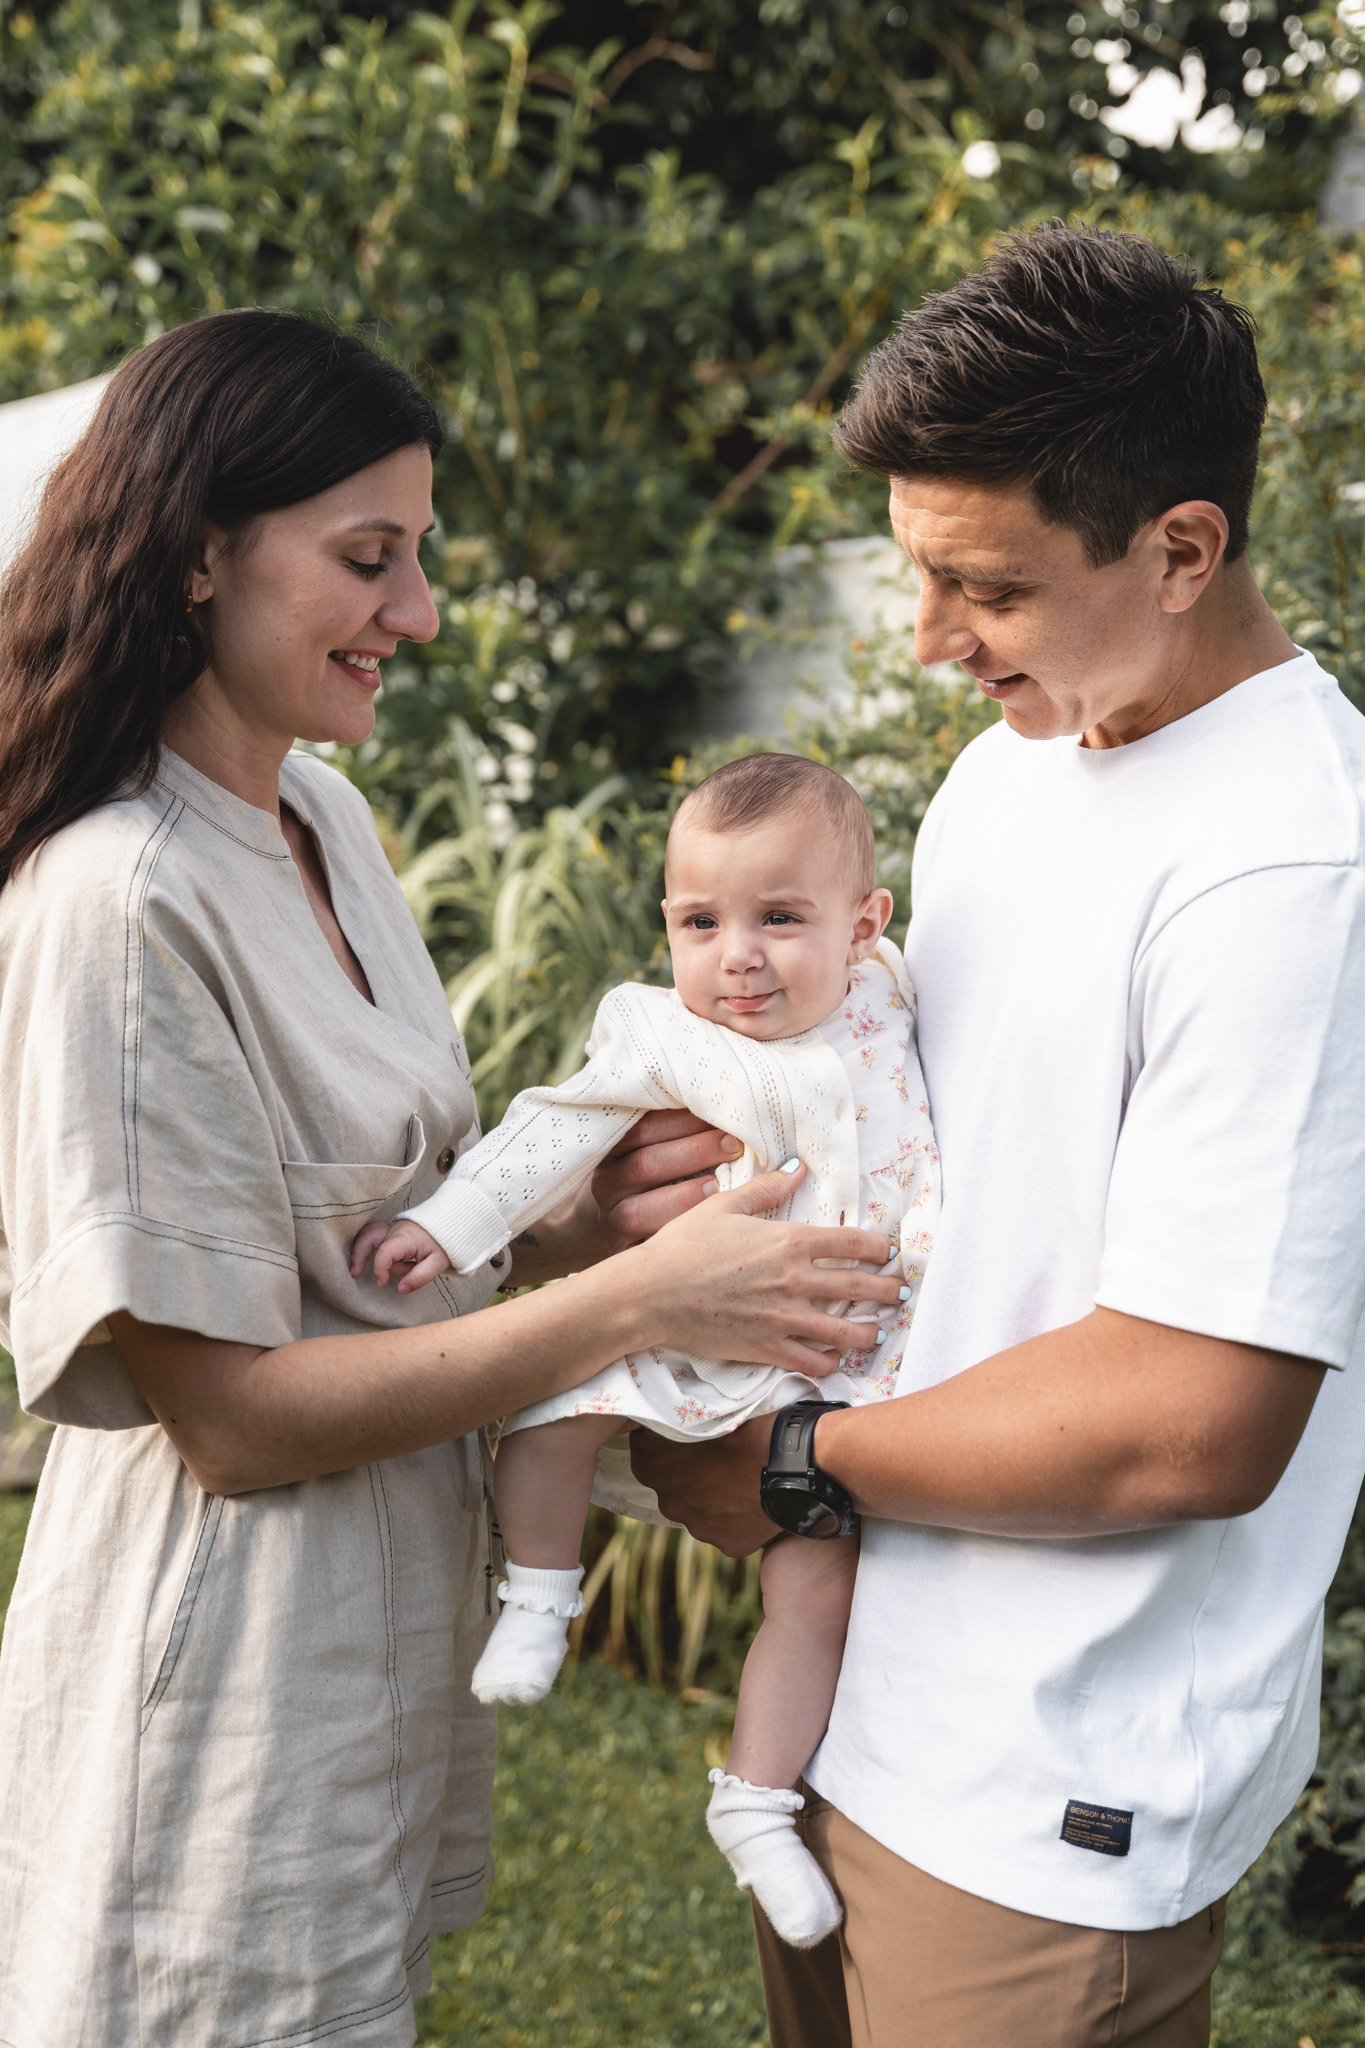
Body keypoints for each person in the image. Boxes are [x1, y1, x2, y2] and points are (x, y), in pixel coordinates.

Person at [0, 310, 901, 2048]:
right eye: (369, 557)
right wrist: (627, 1304)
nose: (417, 610)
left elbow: (392, 1241)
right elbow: (235, 1415)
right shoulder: (118, 900)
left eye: (419, 555)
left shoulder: (324, 822)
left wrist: (592, 1215)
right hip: (218, 1701)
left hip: (376, 1662)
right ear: (195, 551)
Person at [622, 223, 1365, 2046]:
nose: (937, 642)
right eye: (920, 578)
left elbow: (1196, 1414)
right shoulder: (1010, 762)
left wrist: (788, 1461)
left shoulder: (1295, 863)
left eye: (991, 590)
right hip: (856, 1697)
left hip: (1053, 1784)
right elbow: (943, 1146)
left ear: (1182, 545)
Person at [356, 752, 940, 1949]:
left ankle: (756, 1799)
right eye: (700, 920)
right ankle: (540, 1590)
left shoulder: (892, 995)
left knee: (815, 1587)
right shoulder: (666, 1034)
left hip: (839, 1359)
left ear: (865, 924)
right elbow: (549, 1134)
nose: (739, 953)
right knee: (554, 1407)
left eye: (781, 918)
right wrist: (446, 1223)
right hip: (696, 1323)